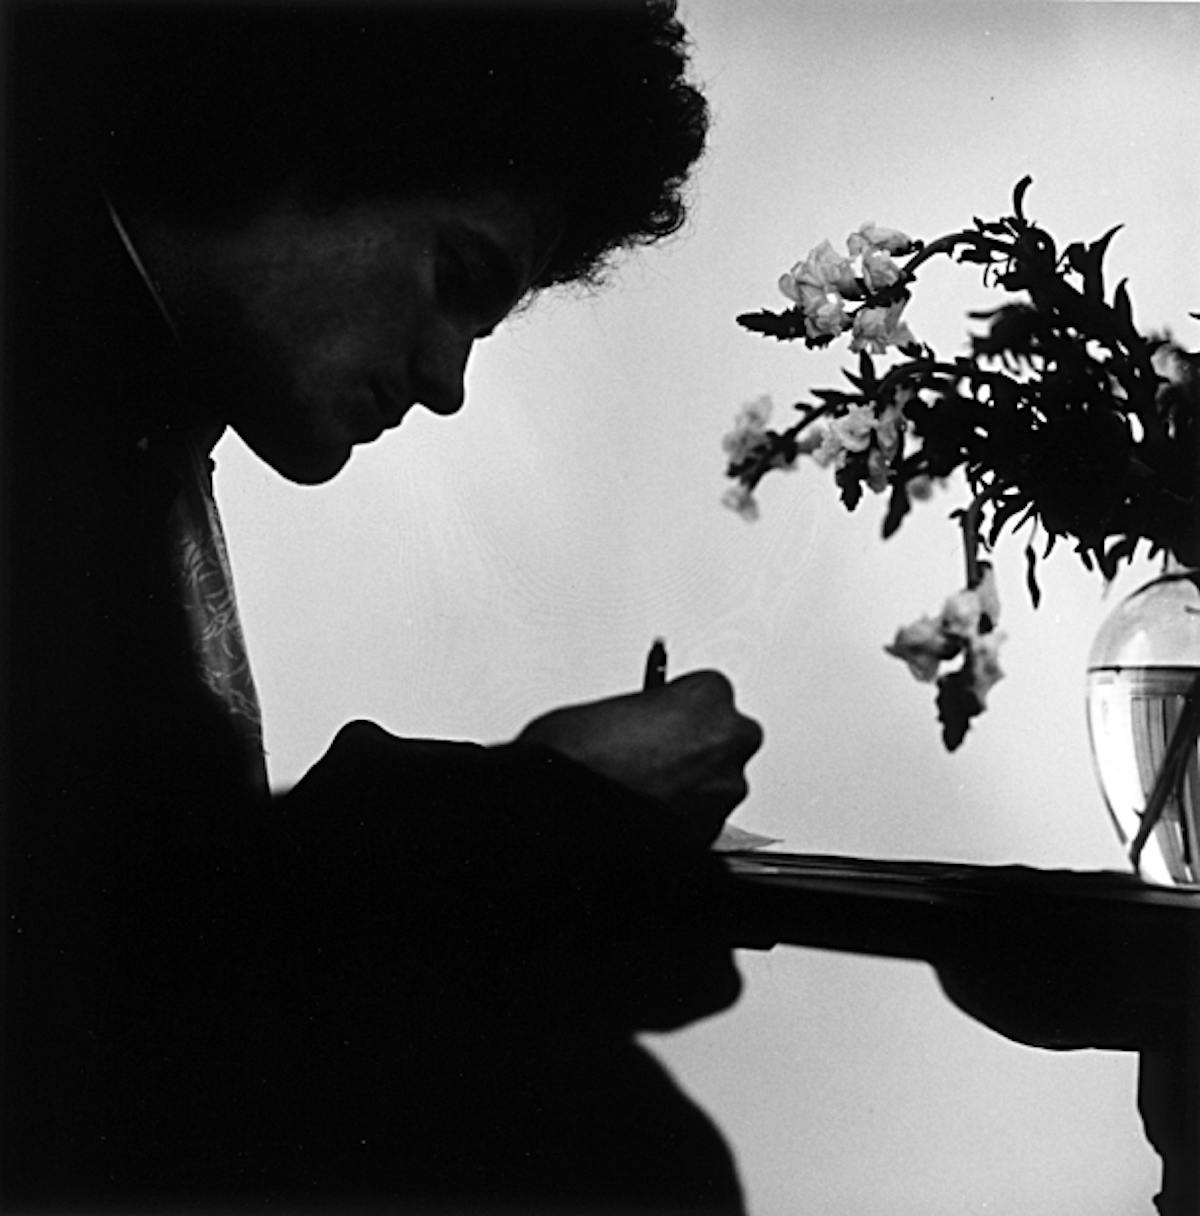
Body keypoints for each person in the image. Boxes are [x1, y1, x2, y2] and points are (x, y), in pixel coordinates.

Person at [2, 3, 763, 1212]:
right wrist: (552, 802)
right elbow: (132, 992)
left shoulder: (107, 389)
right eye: (459, 278)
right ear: (288, 135)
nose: (448, 380)